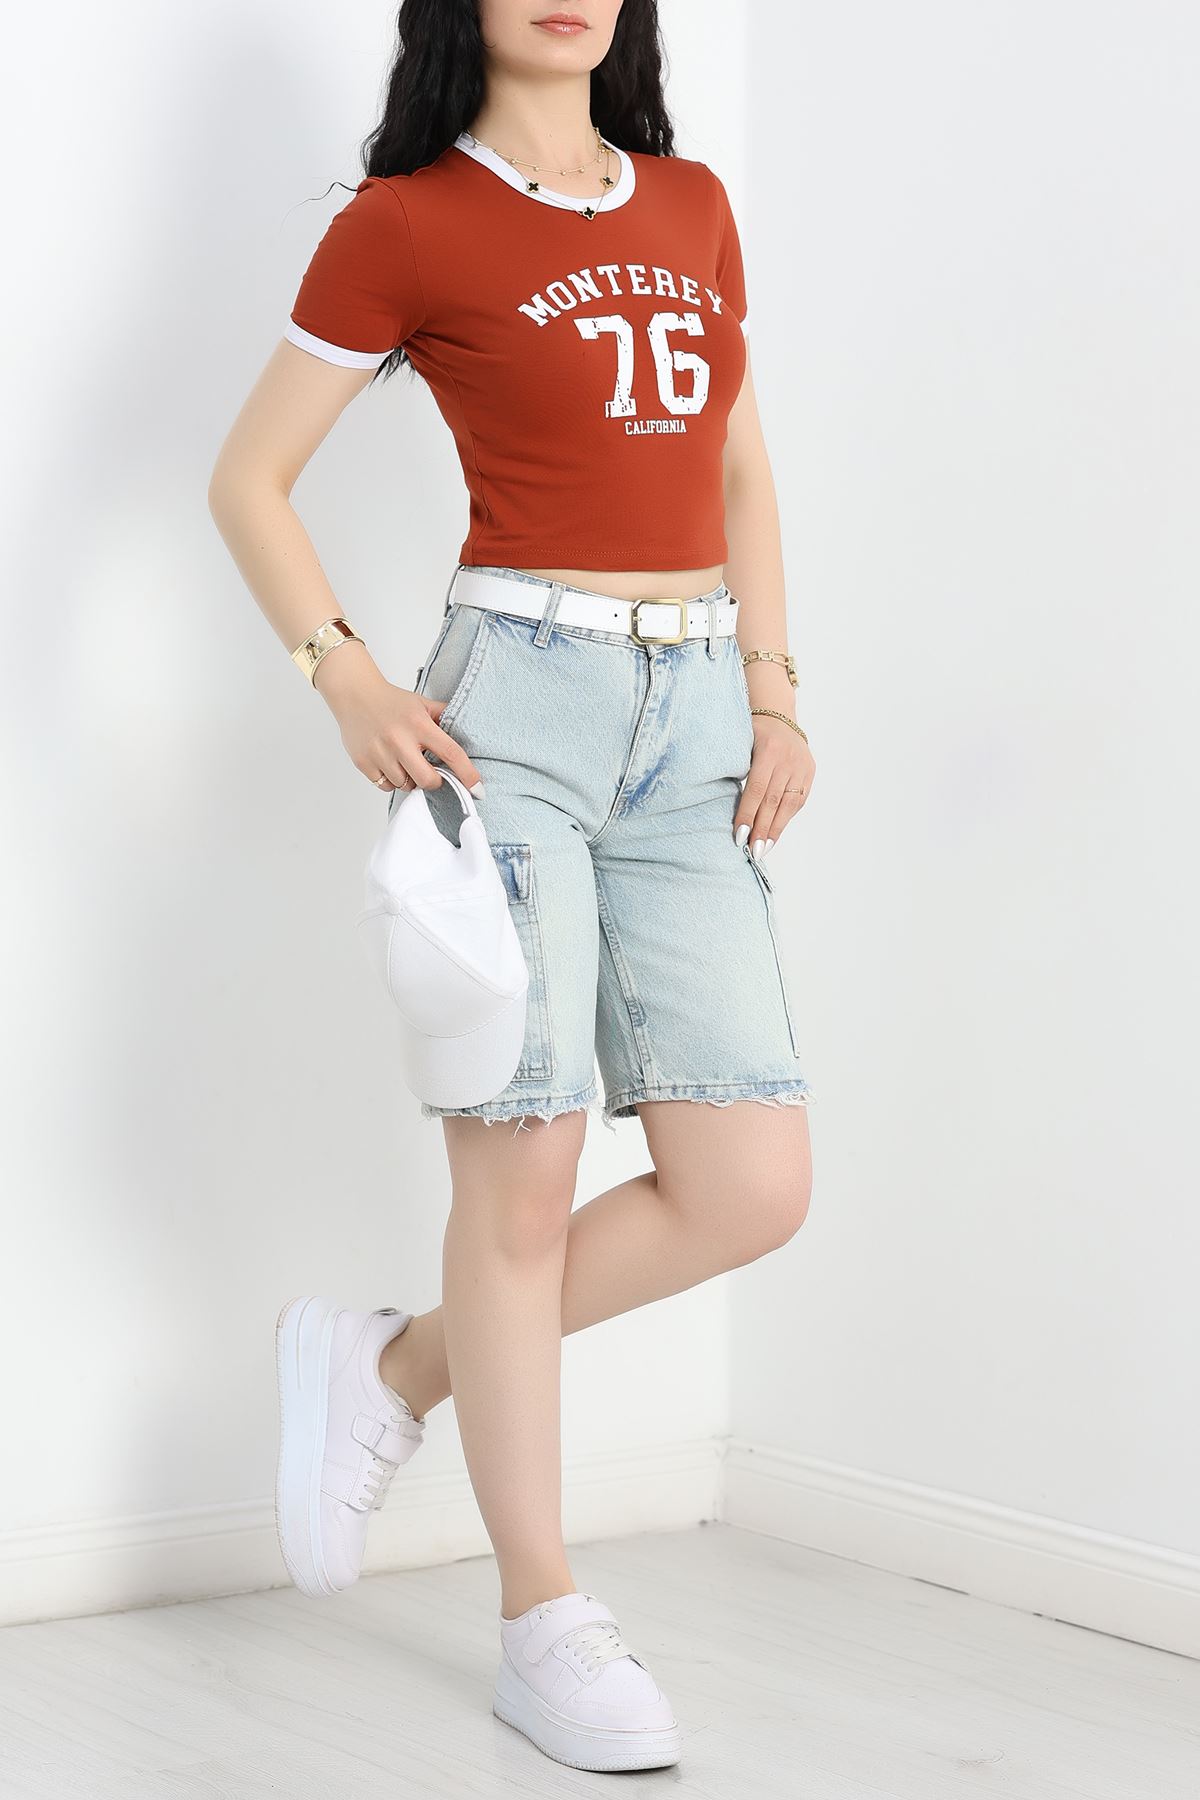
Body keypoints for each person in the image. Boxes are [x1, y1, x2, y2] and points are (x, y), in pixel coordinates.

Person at [208, 0, 817, 1774]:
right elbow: (249, 477)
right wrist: (341, 673)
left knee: (751, 1183)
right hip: (516, 718)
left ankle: (394, 1369)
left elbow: (737, 462)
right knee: (527, 1168)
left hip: (696, 723)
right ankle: (543, 1620)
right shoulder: (406, 223)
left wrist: (775, 689)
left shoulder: (692, 204)